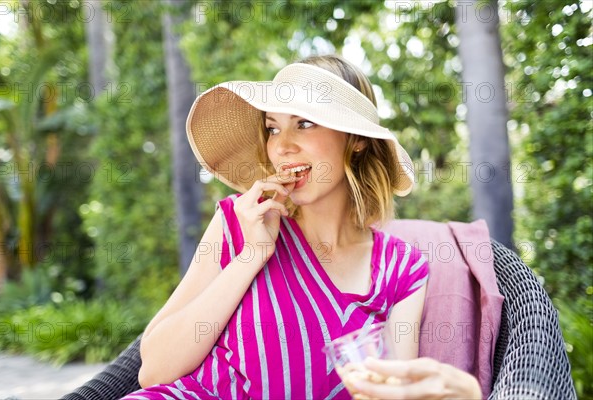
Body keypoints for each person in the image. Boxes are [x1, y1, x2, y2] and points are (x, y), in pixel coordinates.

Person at [122, 55, 478, 399]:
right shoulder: (238, 222)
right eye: (272, 128)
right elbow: (152, 371)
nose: (282, 146)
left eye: (304, 123)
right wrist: (251, 256)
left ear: (356, 140)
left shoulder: (401, 268)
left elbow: (393, 392)